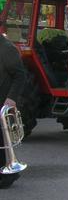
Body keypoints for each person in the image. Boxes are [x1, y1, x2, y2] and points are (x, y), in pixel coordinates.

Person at [0, 33, 27, 188]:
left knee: (3, 139)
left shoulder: (6, 48)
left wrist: (12, 98)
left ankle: (9, 174)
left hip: (3, 99)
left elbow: (20, 75)